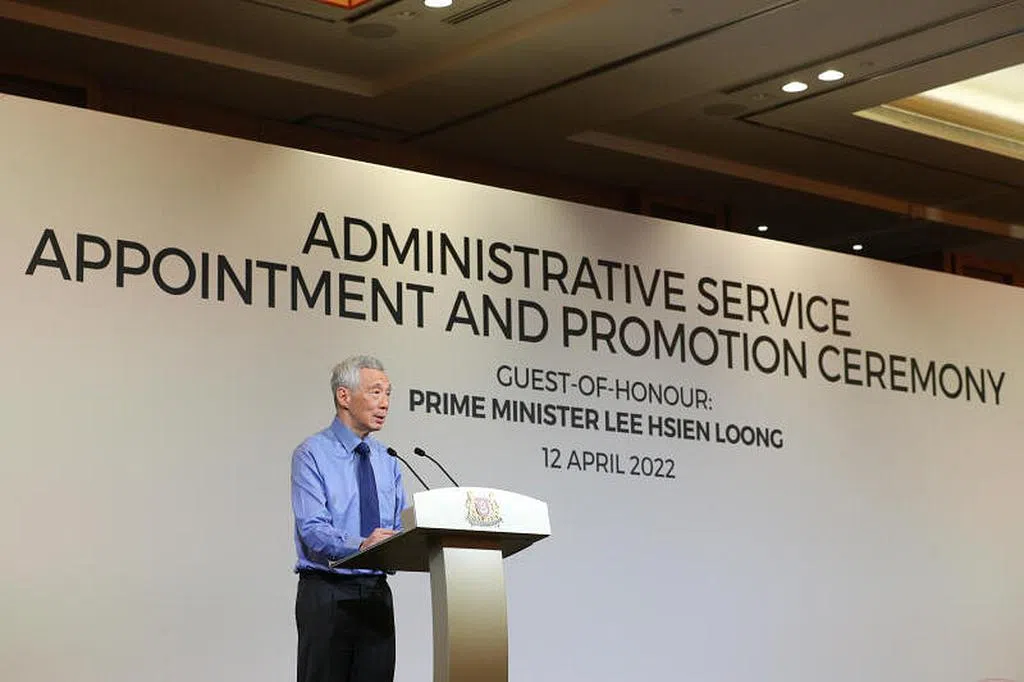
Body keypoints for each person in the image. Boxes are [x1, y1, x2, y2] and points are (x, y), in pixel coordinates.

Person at [291, 355, 407, 682]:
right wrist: (362, 545)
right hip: (327, 592)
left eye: (388, 394)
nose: (385, 403)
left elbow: (398, 527)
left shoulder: (387, 460)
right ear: (344, 396)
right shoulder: (312, 453)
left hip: (376, 594)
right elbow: (312, 529)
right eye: (375, 392)